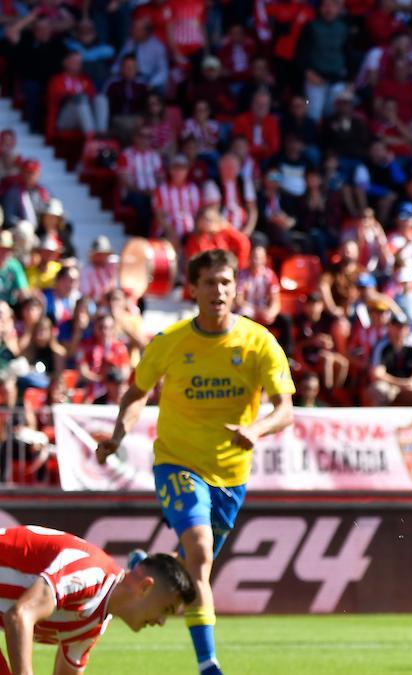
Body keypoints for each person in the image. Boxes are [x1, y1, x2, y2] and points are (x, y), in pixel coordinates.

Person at [95, 249, 296, 675]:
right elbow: (136, 392)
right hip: (177, 462)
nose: (218, 291)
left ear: (236, 287)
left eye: (225, 282)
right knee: (200, 554)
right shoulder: (170, 342)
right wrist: (117, 436)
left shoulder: (259, 342)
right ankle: (209, 666)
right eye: (209, 283)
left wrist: (256, 430)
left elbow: (285, 409)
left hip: (231, 475)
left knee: (190, 573)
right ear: (193, 289)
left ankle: (144, 566)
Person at [0, 525, 196, 675]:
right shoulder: (90, 573)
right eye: (166, 609)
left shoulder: (96, 623)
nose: (161, 622)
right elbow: (19, 616)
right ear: (145, 587)